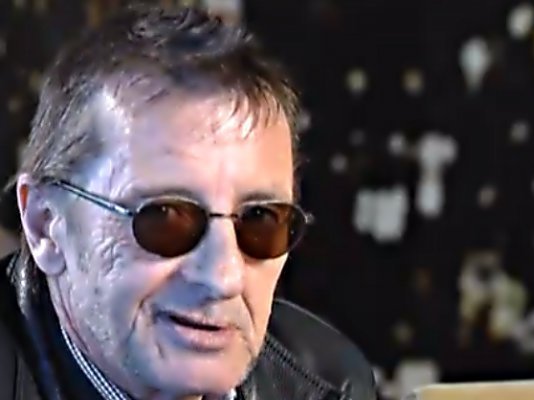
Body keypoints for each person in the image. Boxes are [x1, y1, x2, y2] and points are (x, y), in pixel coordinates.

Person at [0, 4, 376, 400]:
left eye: (261, 220)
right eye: (165, 218)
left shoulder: (326, 382)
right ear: (46, 225)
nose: (223, 278)